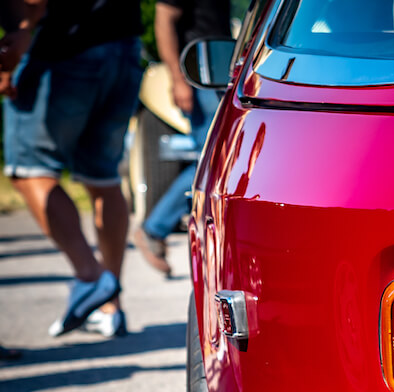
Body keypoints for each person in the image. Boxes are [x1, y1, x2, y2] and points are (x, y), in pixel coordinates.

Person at [1, 0, 144, 338]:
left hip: (63, 48)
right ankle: (110, 308)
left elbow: (34, 3)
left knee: (29, 169)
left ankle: (93, 278)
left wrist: (21, 32)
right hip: (124, 48)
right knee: (103, 177)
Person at [132, 0, 230, 276]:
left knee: (218, 157)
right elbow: (163, 20)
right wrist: (178, 78)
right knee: (214, 158)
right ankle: (154, 228)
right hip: (199, 74)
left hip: (219, 70)